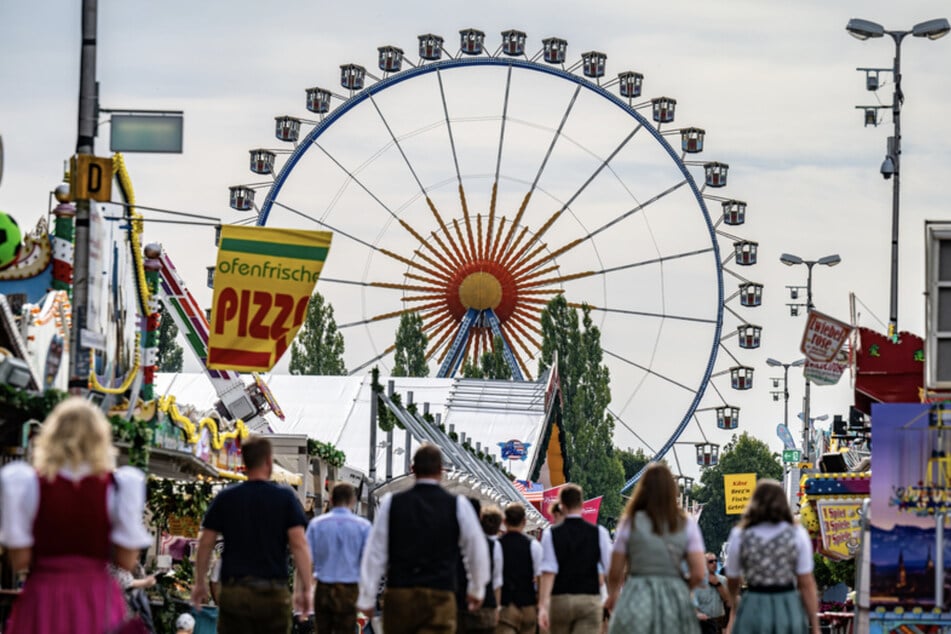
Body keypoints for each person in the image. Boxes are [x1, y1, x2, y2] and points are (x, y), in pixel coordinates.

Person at [0, 397, 152, 633]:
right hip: (96, 598)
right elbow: (126, 560)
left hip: (44, 597)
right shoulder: (118, 487)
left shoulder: (28, 485)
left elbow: (20, 560)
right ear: (101, 440)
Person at [359, 443, 490, 634]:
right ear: (441, 470)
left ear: (412, 470)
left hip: (400, 593)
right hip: (440, 593)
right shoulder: (458, 505)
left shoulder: (391, 503)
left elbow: (375, 553)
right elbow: (476, 551)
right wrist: (477, 589)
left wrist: (367, 596)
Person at [191, 434, 313, 634]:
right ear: (268, 461)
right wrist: (305, 589)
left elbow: (205, 543)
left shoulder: (225, 498)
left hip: (235, 592)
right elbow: (299, 545)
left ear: (243, 461)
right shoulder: (285, 499)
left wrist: (199, 584)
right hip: (272, 592)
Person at [604, 463, 705, 634]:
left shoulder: (630, 522)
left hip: (637, 594)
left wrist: (613, 594)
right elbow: (699, 572)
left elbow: (615, 569)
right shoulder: (687, 523)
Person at [723, 480, 821, 634]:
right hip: (787, 603)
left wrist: (735, 604)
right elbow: (806, 583)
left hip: (754, 602)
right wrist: (815, 625)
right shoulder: (796, 533)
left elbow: (732, 577)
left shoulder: (740, 534)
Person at [537, 484, 612, 633]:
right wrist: (612, 597)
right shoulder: (599, 533)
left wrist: (543, 605)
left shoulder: (550, 534)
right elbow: (609, 569)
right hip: (589, 600)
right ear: (581, 504)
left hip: (560, 600)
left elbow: (548, 573)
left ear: (562, 505)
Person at [305, 481, 371, 633]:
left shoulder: (316, 524)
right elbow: (369, 561)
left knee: (323, 630)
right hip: (350, 588)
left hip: (322, 587)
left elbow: (306, 557)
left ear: (331, 499)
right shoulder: (363, 526)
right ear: (353, 501)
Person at [497, 502, 543, 634]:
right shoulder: (534, 546)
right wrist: (540, 602)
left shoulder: (497, 545)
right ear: (524, 522)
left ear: (504, 521)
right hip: (527, 604)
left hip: (505, 604)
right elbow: (540, 577)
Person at [460, 505, 504, 634]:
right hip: (486, 607)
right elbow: (497, 580)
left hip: (462, 605)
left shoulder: (464, 541)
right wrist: (496, 607)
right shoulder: (495, 546)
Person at [694, 553, 730, 634]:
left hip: (719, 622)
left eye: (715, 561)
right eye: (710, 561)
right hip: (704, 623)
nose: (714, 563)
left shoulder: (723, 580)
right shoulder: (697, 581)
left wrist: (718, 585)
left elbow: (728, 601)